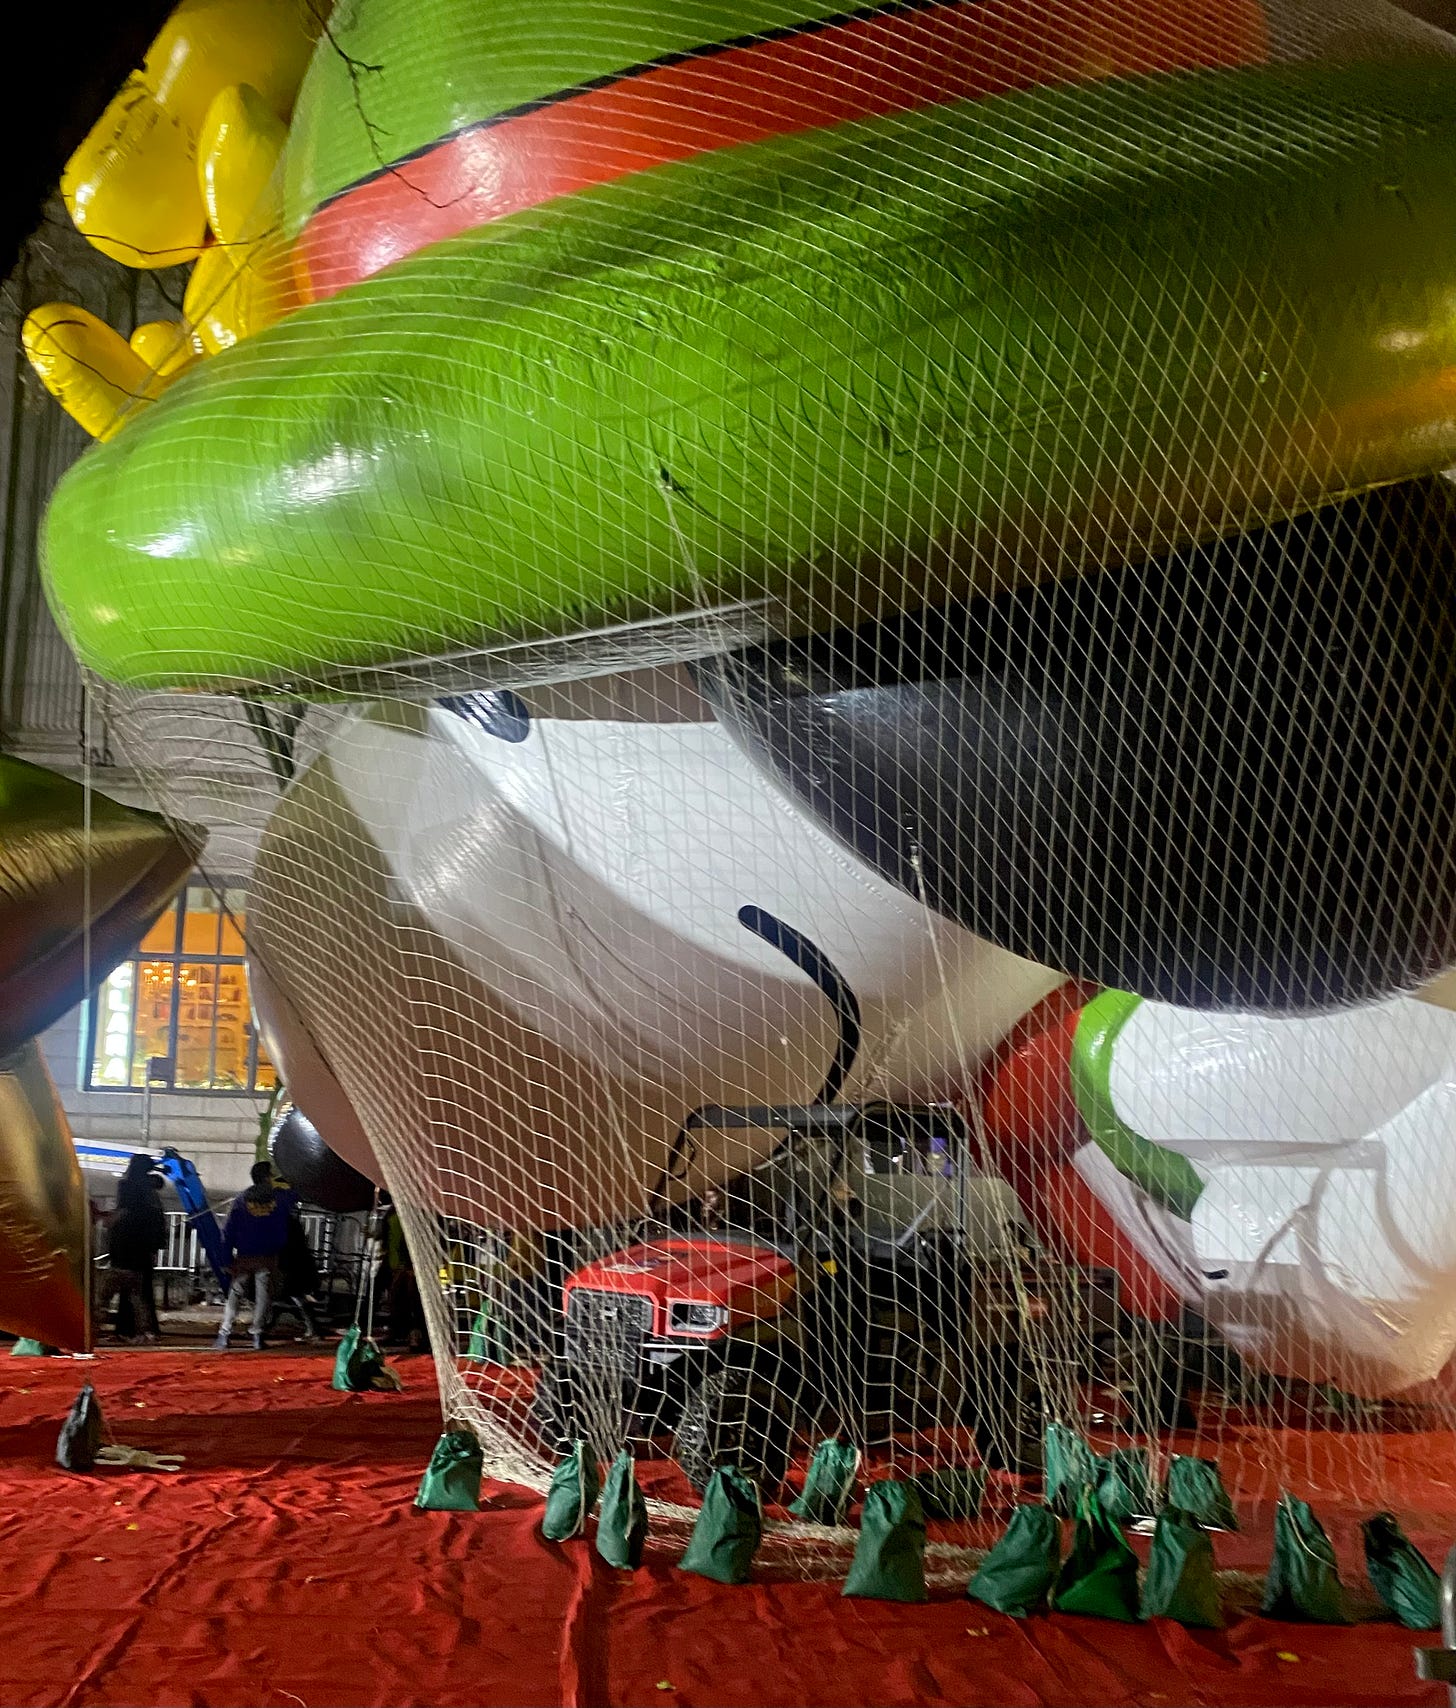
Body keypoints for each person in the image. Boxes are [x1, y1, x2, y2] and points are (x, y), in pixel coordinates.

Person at [214, 1161, 296, 1350]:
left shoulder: (242, 1200)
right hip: (267, 1257)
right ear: (267, 1177)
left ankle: (224, 1334)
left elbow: (228, 1231)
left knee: (234, 1295)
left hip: (244, 1256)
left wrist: (225, 1258)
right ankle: (257, 1335)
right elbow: (296, 1194)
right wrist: (288, 1179)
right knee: (263, 1298)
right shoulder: (279, 1198)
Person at [99, 1155, 166, 1343]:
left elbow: (123, 1210)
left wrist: (107, 1221)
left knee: (118, 1288)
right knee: (140, 1291)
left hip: (124, 1242)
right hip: (143, 1245)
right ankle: (144, 1329)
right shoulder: (150, 1192)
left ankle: (123, 1329)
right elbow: (157, 1219)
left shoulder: (127, 1186)